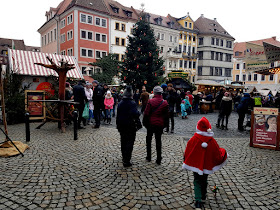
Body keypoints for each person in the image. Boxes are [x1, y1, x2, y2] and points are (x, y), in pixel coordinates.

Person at [182, 117, 228, 209]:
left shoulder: (193, 139)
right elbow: (217, 153)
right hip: (207, 166)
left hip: (196, 164)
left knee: (197, 180)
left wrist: (186, 159)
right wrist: (224, 152)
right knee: (204, 179)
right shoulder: (212, 141)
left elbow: (187, 151)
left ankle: (198, 200)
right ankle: (203, 196)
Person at [143, 86, 169, 165]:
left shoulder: (150, 101)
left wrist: (145, 123)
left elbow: (146, 113)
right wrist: (165, 125)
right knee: (158, 141)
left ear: (154, 93)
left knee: (149, 140)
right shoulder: (164, 102)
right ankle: (158, 158)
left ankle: (149, 156)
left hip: (151, 124)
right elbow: (166, 115)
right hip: (159, 124)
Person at [116, 86, 140, 167]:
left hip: (121, 125)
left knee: (123, 141)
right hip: (130, 125)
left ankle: (124, 157)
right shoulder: (132, 103)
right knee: (130, 142)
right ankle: (127, 160)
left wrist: (117, 125)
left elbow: (117, 115)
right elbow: (135, 114)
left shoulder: (120, 103)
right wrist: (138, 113)